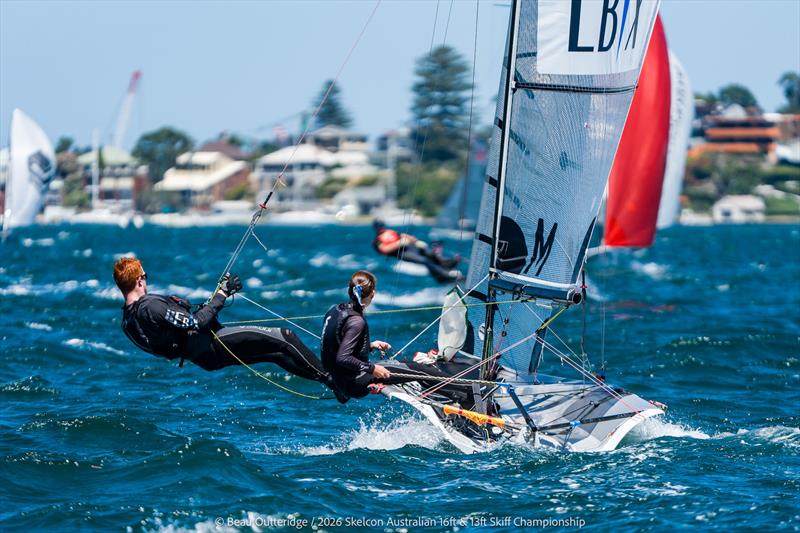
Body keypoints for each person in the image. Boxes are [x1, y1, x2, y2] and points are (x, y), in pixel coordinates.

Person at [114, 257, 345, 401]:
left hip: (203, 357)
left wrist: (209, 306)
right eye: (145, 275)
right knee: (286, 337)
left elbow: (175, 331)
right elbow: (196, 324)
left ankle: (333, 384)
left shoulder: (128, 321)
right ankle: (334, 380)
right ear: (139, 281)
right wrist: (223, 294)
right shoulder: (150, 306)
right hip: (213, 344)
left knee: (276, 354)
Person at [321, 270, 474, 404]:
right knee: (420, 370)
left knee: (400, 366)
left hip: (341, 379)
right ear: (373, 293)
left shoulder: (336, 309)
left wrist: (369, 345)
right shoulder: (357, 322)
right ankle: (469, 394)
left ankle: (455, 393)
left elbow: (336, 346)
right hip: (355, 381)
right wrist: (372, 368)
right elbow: (343, 357)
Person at [372, 220, 463, 283]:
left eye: (381, 226)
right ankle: (445, 275)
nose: (381, 228)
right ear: (376, 228)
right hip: (401, 253)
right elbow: (384, 249)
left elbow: (402, 235)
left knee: (429, 253)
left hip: (409, 246)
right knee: (424, 260)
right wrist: (399, 243)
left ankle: (448, 264)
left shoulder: (391, 232)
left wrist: (415, 241)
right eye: (379, 227)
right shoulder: (377, 240)